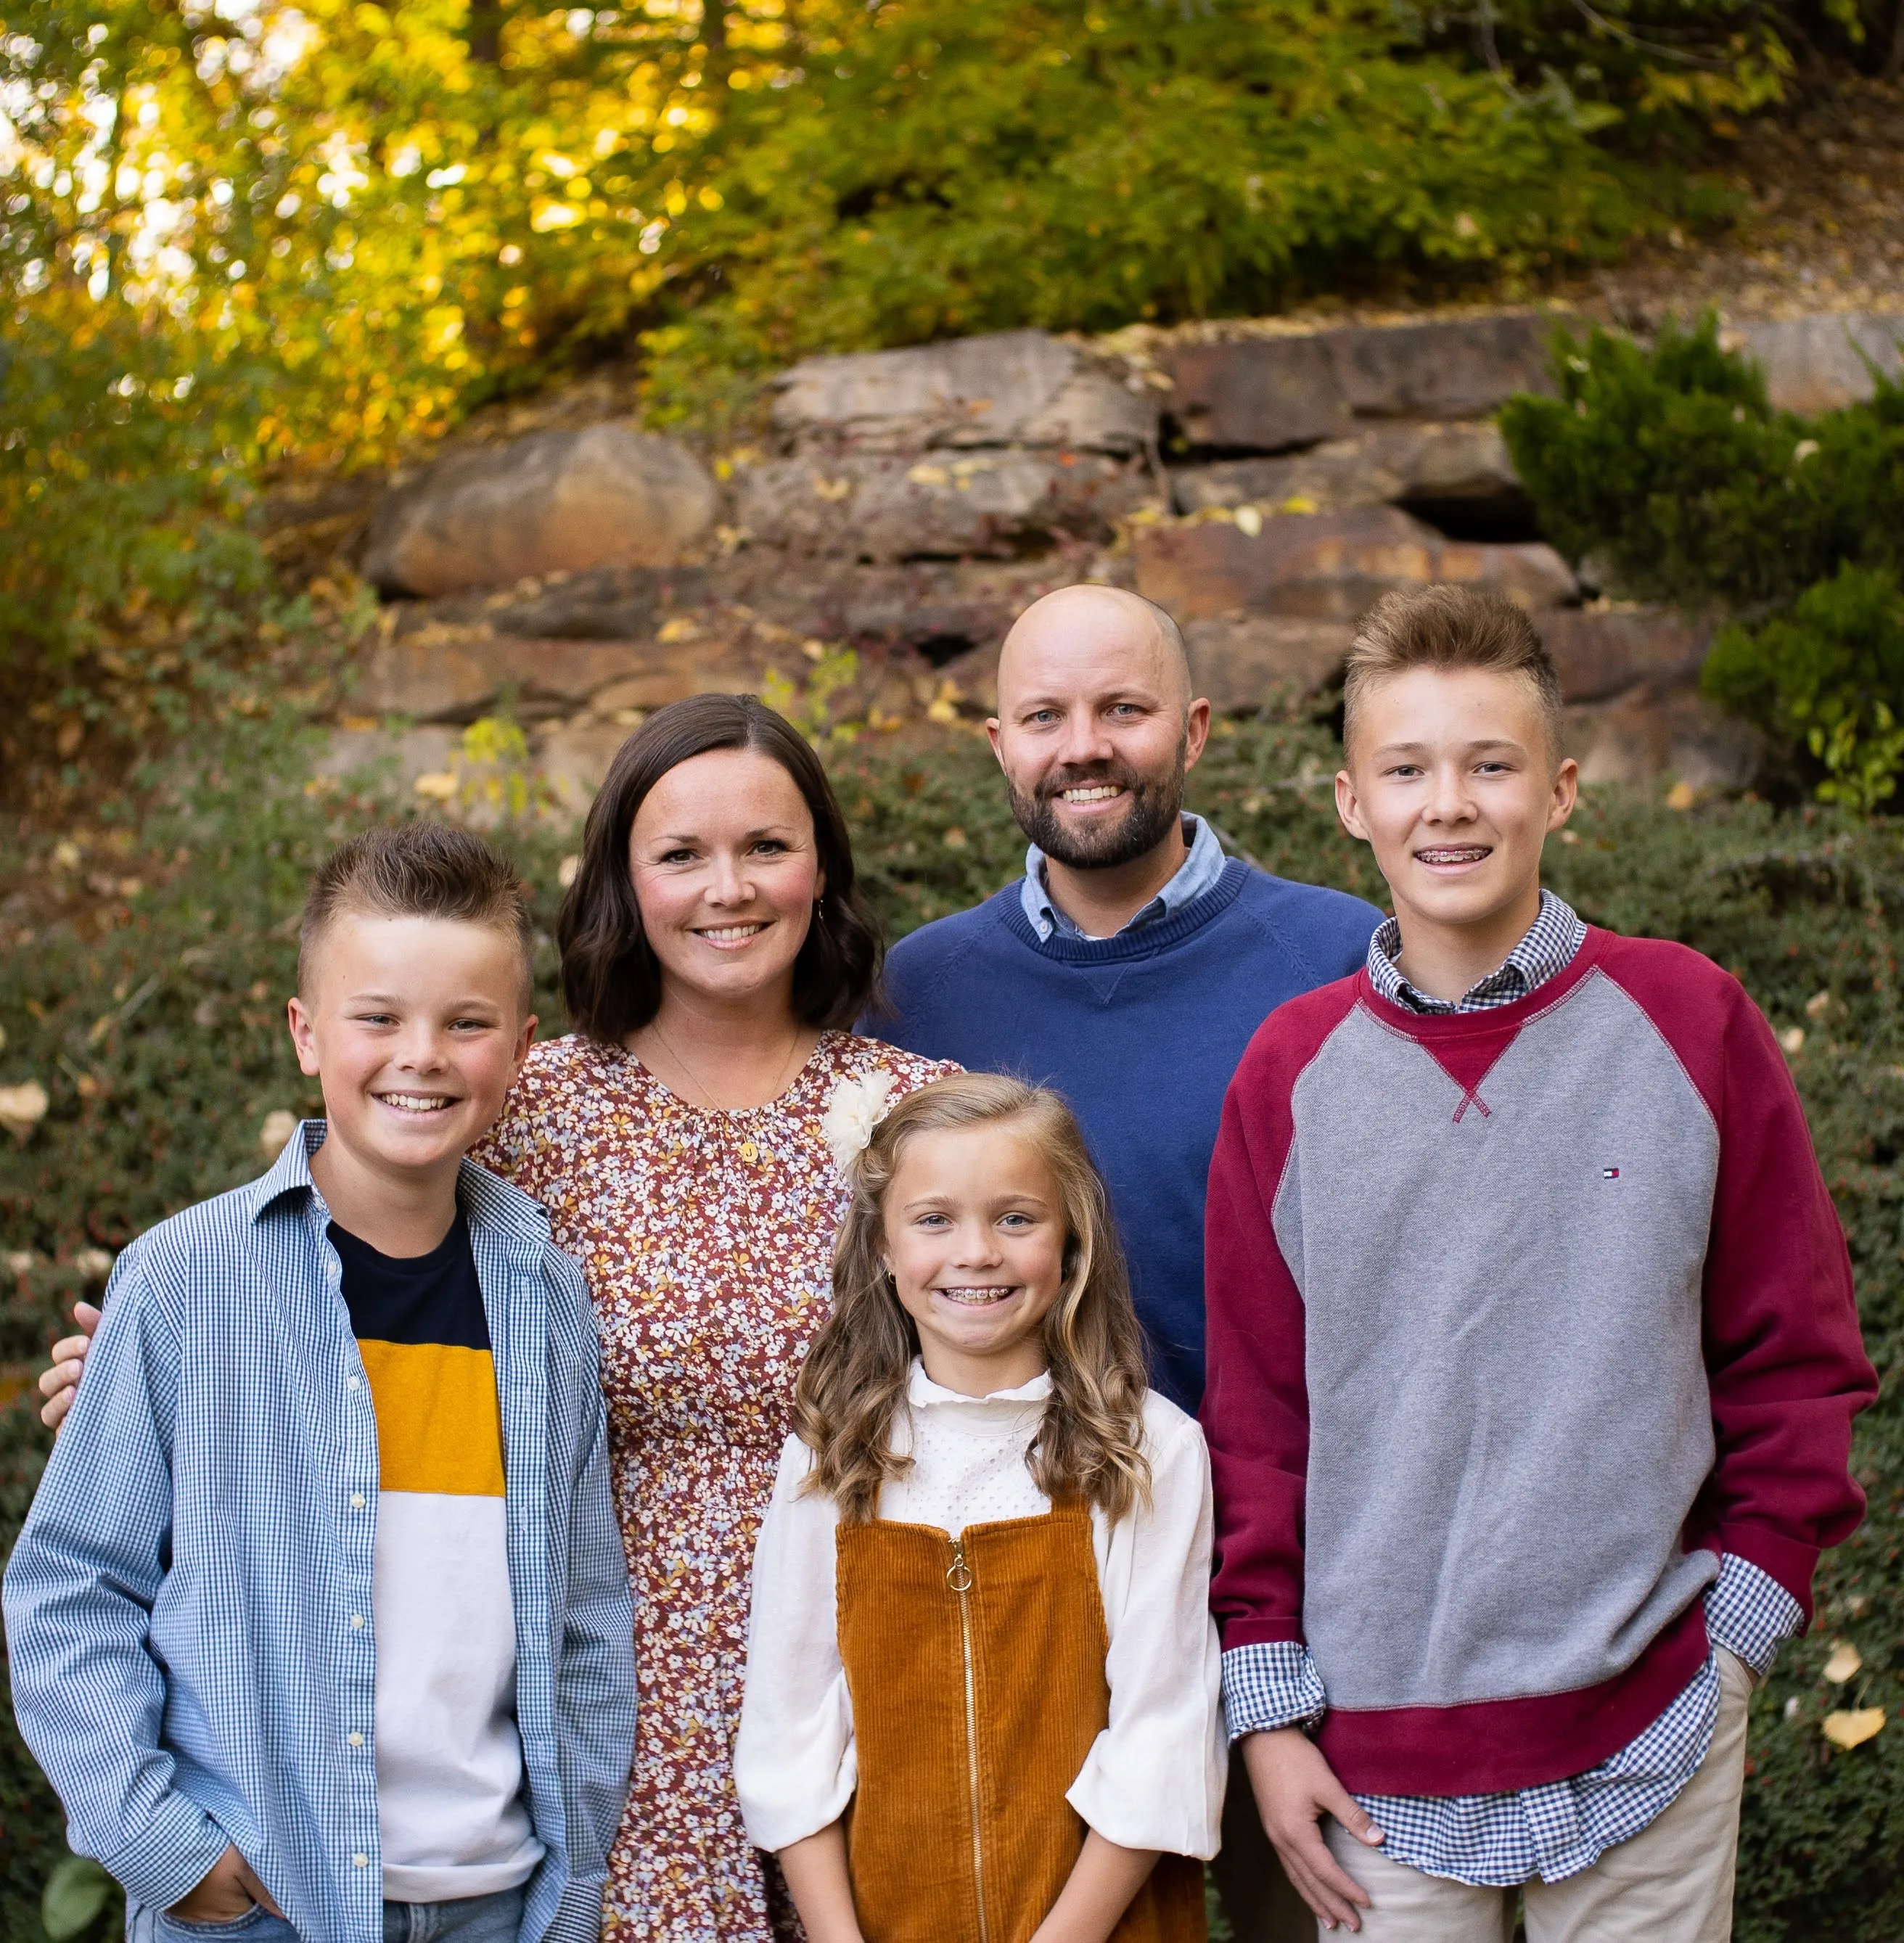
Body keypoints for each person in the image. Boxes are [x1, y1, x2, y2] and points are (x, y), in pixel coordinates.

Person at [34, 696, 955, 1943]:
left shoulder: (911, 1119)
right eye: (679, 851)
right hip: (592, 1755)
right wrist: (144, 1374)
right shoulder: (538, 1106)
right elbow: (313, 1248)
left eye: (766, 846)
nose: (725, 886)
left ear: (822, 868)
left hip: (827, 1684)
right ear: (624, 884)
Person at [1202, 585, 1879, 1941]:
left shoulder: (1687, 1019)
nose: (1446, 803)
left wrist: (1734, 1632)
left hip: (1647, 1707)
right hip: (1372, 1751)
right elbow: (1258, 1420)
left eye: (1488, 764)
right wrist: (1266, 1709)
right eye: (1405, 769)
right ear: (1349, 803)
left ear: (1558, 790)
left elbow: (1790, 1351)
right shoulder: (1288, 1072)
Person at [5, 822, 636, 1943]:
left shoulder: (545, 1299)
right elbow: (70, 1587)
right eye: (379, 1016)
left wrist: (574, 1879)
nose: (423, 1053)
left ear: (523, 1049)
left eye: (467, 1021)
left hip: (498, 1900)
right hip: (262, 1900)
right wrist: (161, 1845)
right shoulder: (185, 1283)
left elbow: (583, 1615)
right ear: (306, 1032)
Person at [871, 583, 1380, 1943]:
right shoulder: (917, 997)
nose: (1081, 744)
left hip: (1317, 1601)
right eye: (1043, 715)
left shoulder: (1341, 959)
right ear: (995, 742)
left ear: (1195, 729)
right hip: (1037, 1605)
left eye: (1122, 709)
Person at [734, 1073, 1224, 1943]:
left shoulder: (1146, 1449)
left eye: (1014, 1217)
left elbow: (1160, 1738)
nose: (975, 1253)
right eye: (933, 1219)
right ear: (881, 1247)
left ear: (1070, 1239)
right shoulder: (833, 1455)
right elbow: (789, 1736)